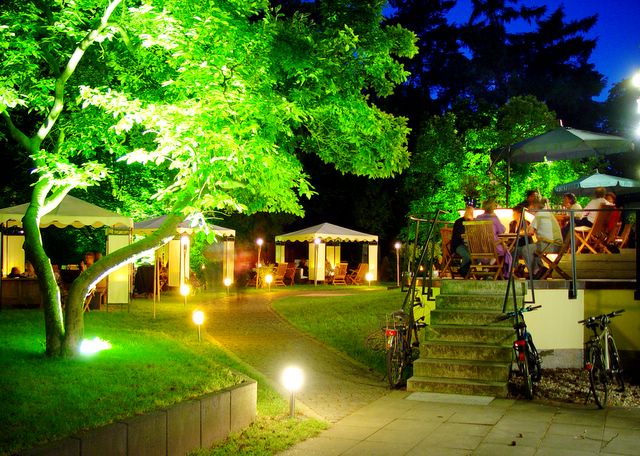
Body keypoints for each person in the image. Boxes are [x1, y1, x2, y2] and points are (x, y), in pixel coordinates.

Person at [476, 198, 512, 278]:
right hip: (493, 246)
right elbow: (502, 230)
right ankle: (489, 267)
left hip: (479, 247)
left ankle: (487, 269)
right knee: (504, 250)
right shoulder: (494, 218)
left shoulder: (478, 218)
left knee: (497, 249)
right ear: (492, 208)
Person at [529, 198, 563, 278]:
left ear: (534, 207)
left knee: (526, 249)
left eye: (530, 207)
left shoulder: (539, 215)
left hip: (551, 245)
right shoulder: (546, 213)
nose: (528, 209)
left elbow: (530, 232)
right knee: (531, 248)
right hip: (556, 244)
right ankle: (540, 270)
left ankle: (536, 272)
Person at [509, 205, 535, 277]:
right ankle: (513, 270)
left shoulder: (526, 223)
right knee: (509, 250)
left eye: (514, 213)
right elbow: (510, 236)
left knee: (513, 250)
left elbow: (527, 235)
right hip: (514, 245)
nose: (513, 215)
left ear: (520, 214)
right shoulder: (512, 223)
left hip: (524, 245)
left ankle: (514, 270)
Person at [451, 205, 475, 277]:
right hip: (458, 245)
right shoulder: (459, 222)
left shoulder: (472, 222)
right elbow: (461, 236)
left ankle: (466, 272)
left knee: (477, 256)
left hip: (468, 245)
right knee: (468, 256)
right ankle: (463, 271)